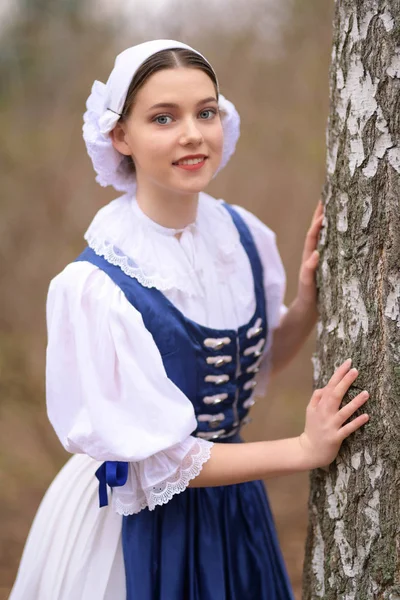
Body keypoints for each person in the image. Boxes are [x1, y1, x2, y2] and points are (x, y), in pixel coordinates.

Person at [9, 39, 369, 600]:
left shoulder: (243, 236)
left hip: (235, 504)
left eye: (206, 111)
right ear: (120, 135)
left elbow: (255, 363)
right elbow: (160, 462)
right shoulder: (95, 286)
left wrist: (306, 305)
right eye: (163, 118)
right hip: (139, 520)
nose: (192, 134)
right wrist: (303, 449)